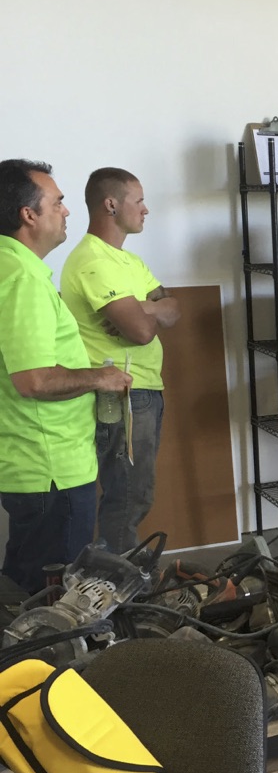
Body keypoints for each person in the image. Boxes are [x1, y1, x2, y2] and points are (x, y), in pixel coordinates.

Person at [0, 160, 132, 594]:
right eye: (57, 202)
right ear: (28, 214)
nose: (67, 211)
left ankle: (23, 657)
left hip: (35, 464)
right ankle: (46, 661)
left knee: (25, 584)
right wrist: (100, 379)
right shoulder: (21, 279)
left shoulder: (16, 269)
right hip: (50, 468)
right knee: (56, 601)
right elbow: (33, 380)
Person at [61, 168, 180, 554]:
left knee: (134, 492)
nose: (146, 210)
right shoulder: (92, 261)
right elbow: (142, 332)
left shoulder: (128, 261)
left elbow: (174, 308)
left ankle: (118, 573)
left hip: (145, 389)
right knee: (127, 494)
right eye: (139, 200)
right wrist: (149, 313)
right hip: (123, 394)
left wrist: (143, 307)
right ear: (111, 204)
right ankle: (119, 583)